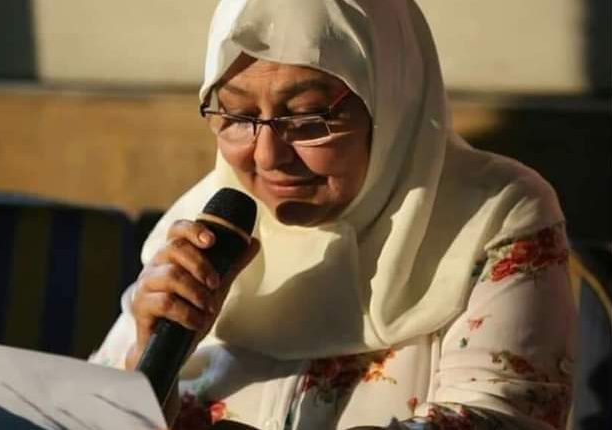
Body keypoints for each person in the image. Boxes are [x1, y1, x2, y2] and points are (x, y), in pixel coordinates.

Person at [90, 1, 576, 429]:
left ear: (392, 101)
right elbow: (78, 411)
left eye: (307, 117)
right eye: (237, 115)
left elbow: (503, 418)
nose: (266, 156)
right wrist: (146, 367)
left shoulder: (493, 218)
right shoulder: (202, 227)